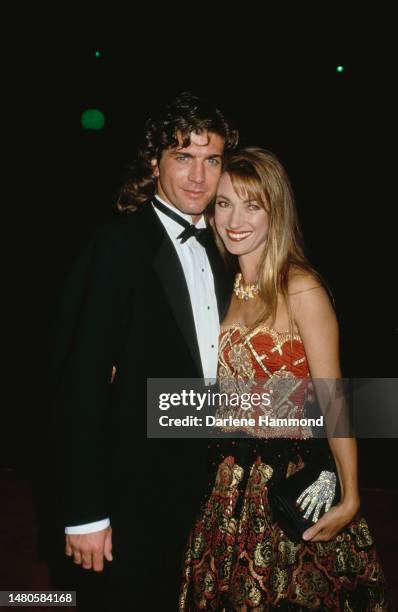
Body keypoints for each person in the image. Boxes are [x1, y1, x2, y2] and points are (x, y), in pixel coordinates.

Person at [179, 148, 391, 610]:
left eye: (252, 205)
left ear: (276, 211)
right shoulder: (222, 287)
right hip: (224, 488)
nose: (235, 219)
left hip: (288, 486)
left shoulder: (300, 287)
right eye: (224, 203)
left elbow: (335, 401)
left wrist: (352, 495)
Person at [52, 92, 238, 610]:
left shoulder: (231, 251)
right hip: (131, 489)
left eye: (212, 159)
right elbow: (79, 386)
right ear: (155, 162)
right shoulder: (116, 247)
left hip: (212, 489)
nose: (199, 177)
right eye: (183, 157)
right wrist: (84, 513)